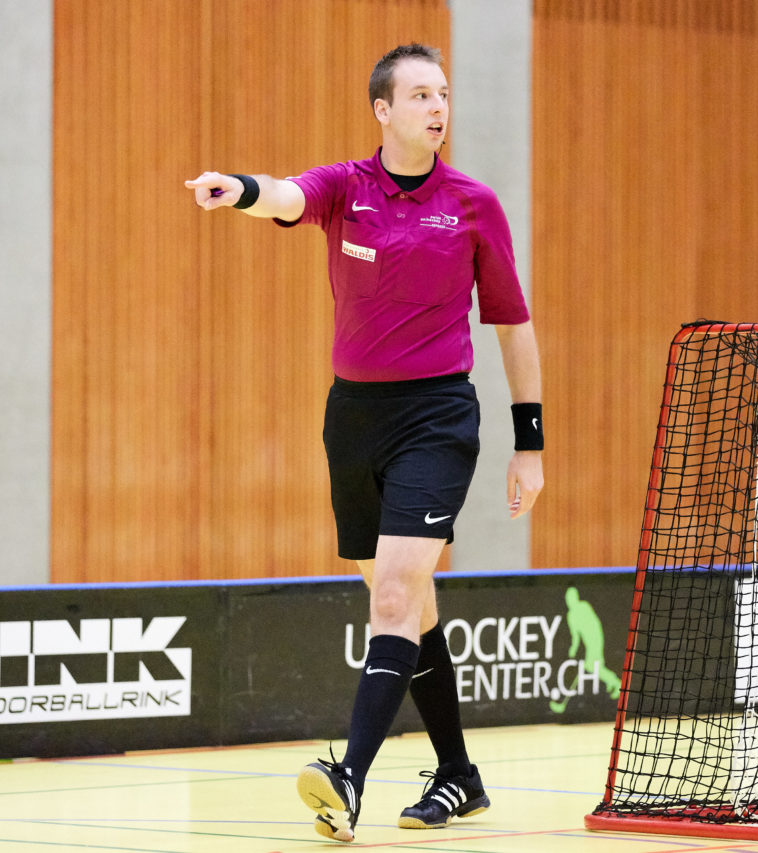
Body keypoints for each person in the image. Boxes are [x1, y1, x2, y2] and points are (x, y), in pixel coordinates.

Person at [185, 43, 544, 843]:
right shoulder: (346, 188)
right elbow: (284, 197)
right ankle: (458, 773)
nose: (436, 107)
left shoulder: (475, 204)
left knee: (392, 595)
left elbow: (513, 328)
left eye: (443, 93)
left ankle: (347, 776)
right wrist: (237, 188)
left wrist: (530, 443)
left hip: (438, 419)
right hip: (352, 420)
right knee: (410, 607)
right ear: (383, 110)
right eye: (419, 94)